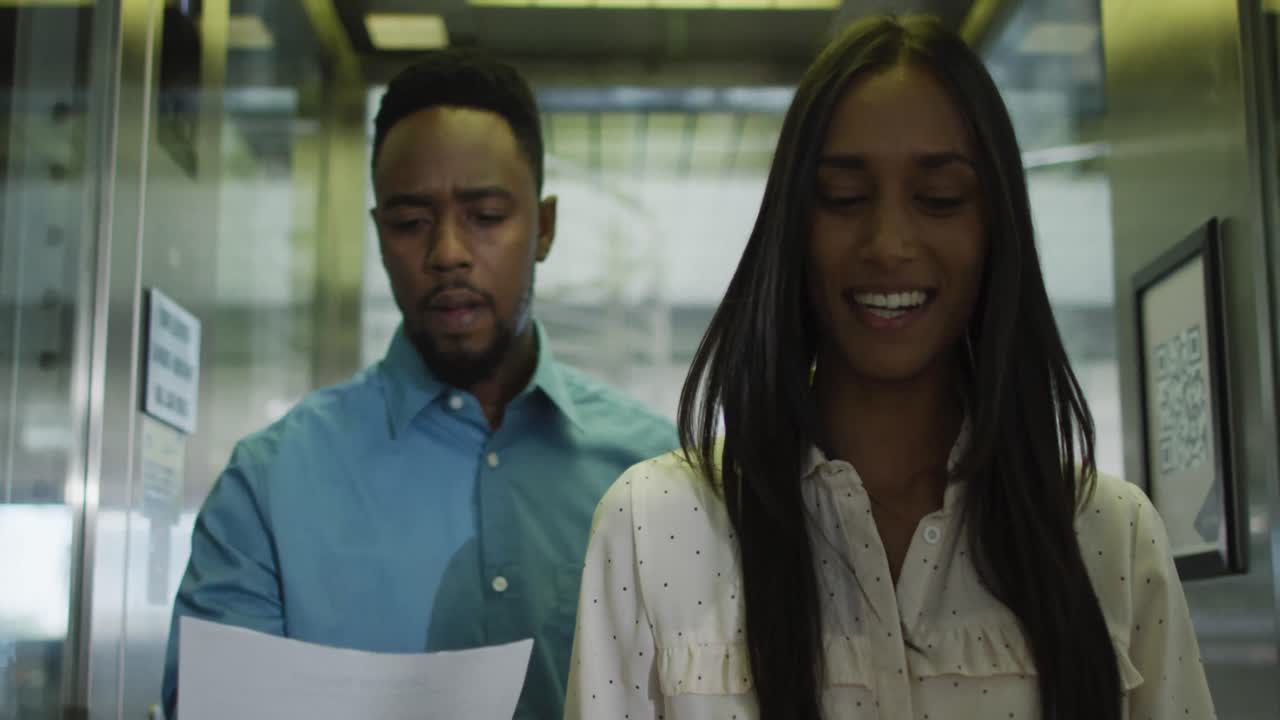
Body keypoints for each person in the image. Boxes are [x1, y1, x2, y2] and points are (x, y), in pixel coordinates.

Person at [566, 15, 1215, 720]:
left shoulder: (1108, 536)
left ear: (995, 227)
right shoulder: (657, 524)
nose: (889, 243)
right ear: (793, 227)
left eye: (940, 199)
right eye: (843, 198)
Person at [162, 49, 677, 720]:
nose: (448, 254)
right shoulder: (269, 485)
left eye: (487, 216)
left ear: (544, 228)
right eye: (410, 223)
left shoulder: (654, 477)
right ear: (379, 235)